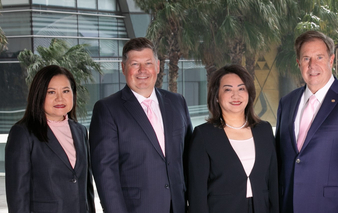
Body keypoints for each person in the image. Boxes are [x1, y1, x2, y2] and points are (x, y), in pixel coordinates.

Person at [89, 37, 193, 213]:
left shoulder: (177, 102)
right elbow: (105, 173)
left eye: (148, 63)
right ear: (123, 68)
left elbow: (190, 158)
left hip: (179, 207)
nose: (142, 70)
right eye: (135, 64)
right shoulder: (107, 109)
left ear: (158, 66)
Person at [275, 30, 338, 213]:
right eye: (306, 58)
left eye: (319, 57)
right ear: (298, 63)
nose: (312, 65)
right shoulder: (286, 103)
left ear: (331, 60)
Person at [187, 64, 278, 213]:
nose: (236, 95)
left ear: (249, 93)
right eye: (228, 89)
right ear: (216, 96)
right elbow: (197, 192)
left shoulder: (264, 130)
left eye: (241, 88)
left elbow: (273, 181)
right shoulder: (203, 135)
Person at [5, 65, 95, 213]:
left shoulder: (80, 131)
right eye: (51, 92)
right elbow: (18, 196)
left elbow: (87, 188)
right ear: (39, 95)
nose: (60, 98)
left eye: (66, 91)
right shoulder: (23, 133)